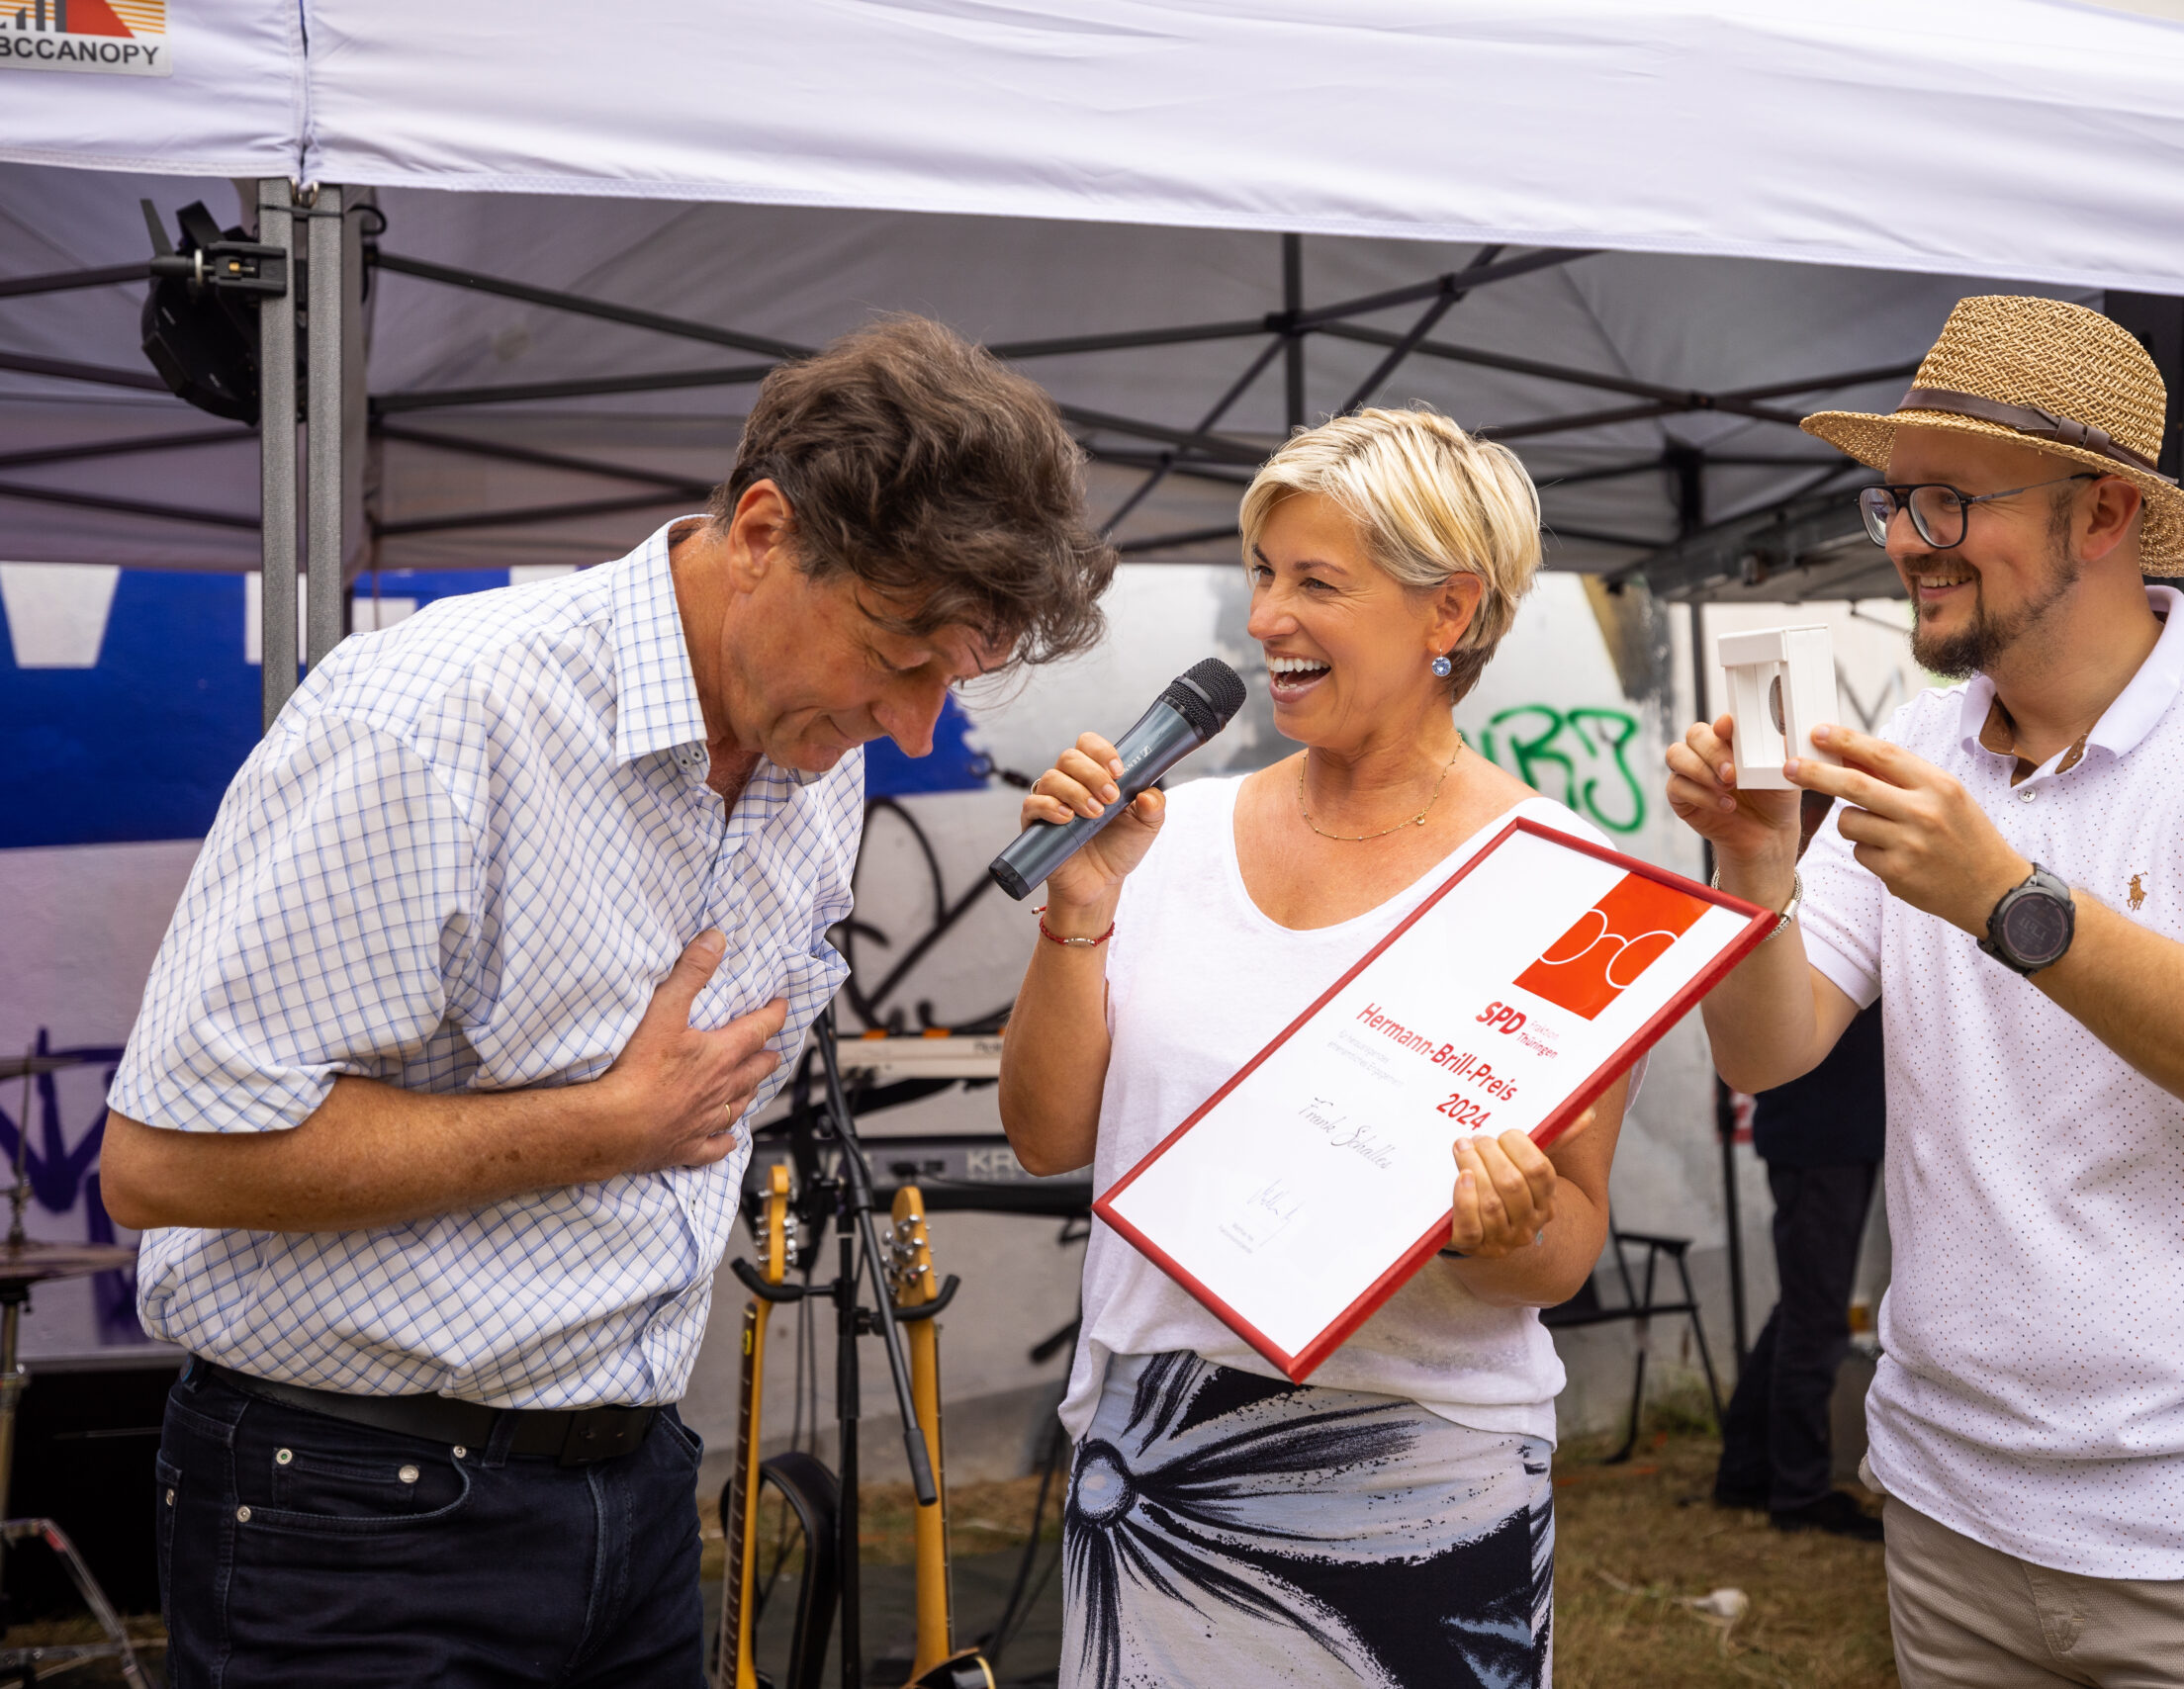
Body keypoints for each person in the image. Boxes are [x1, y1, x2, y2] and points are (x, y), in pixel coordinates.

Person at [98, 316, 1112, 1687]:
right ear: (764, 529)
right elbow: (159, 1164)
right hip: (350, 1511)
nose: (917, 725)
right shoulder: (429, 718)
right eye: (901, 652)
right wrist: (599, 1128)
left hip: (632, 1487)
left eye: (957, 679)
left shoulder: (818, 743)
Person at [1663, 296, 2184, 1685]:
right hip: (1960, 1527)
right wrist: (1751, 878)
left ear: (2103, 516)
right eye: (1894, 503)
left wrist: (2007, 901)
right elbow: (1773, 1054)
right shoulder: (1924, 743)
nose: (1909, 541)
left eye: (1947, 501)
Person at [1000, 407, 1622, 1689]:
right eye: (1265, 577)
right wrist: (1077, 914)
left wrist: (1501, 1225)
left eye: (1315, 583)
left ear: (1449, 612)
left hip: (1421, 1482)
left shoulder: (1569, 882)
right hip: (1157, 1466)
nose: (1266, 620)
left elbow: (1563, 1253)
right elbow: (1047, 1137)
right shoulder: (1161, 836)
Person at [1712, 789, 1885, 1543]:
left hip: (1821, 1134)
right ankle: (1798, 1489)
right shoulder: (1807, 899)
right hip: (1823, 1135)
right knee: (1814, 1316)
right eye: (1828, 815)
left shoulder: (1814, 890)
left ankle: (1747, 1470)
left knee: (1799, 1307)